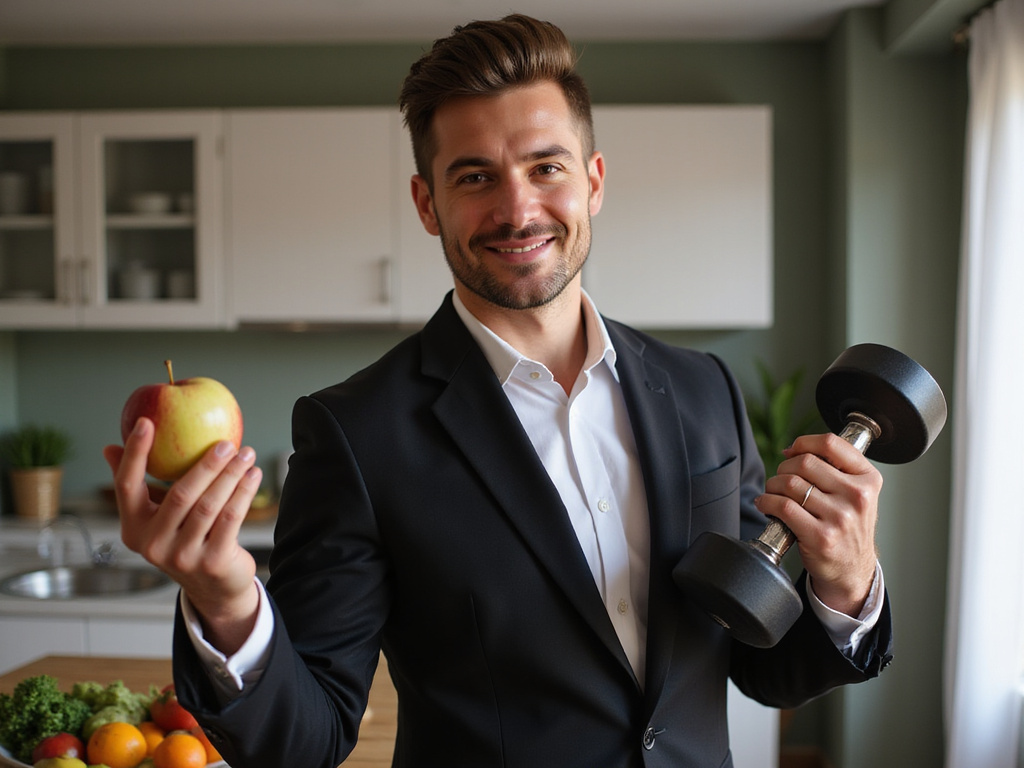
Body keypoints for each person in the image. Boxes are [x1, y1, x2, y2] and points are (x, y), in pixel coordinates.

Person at [104, 14, 891, 768]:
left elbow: (764, 666)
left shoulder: (701, 389)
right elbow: (306, 742)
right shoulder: (356, 433)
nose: (517, 209)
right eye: (475, 176)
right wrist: (228, 601)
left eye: (545, 167)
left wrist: (846, 584)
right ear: (427, 204)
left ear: (593, 182)